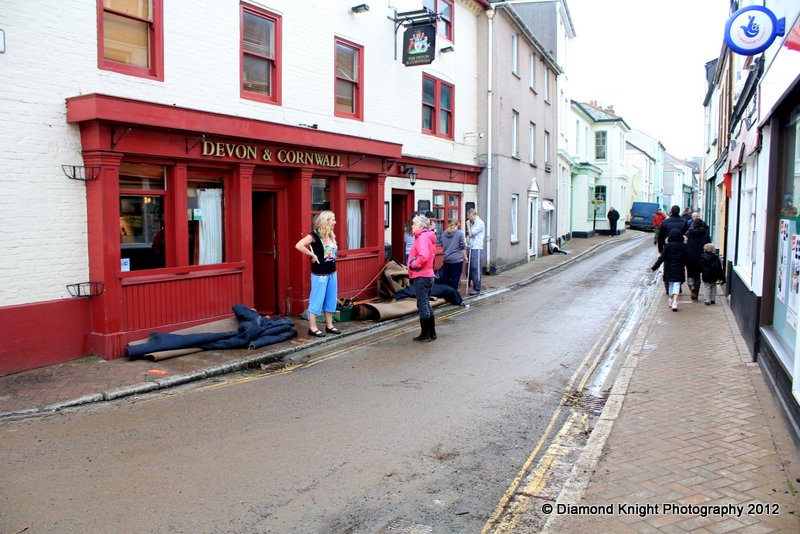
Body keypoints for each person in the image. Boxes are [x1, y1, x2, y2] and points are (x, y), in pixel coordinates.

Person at [294, 211, 341, 338]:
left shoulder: (331, 235)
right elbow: (299, 245)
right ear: (326, 221)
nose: (335, 222)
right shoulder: (314, 235)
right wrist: (312, 255)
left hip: (332, 272)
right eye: (333, 219)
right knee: (317, 300)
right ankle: (313, 328)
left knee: (331, 299)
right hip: (320, 274)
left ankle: (329, 325)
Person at [407, 214, 437, 342]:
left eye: (414, 224)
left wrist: (413, 265)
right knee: (426, 304)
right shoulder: (426, 237)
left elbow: (423, 256)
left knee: (422, 305)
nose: (412, 226)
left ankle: (425, 335)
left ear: (420, 226)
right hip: (428, 274)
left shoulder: (422, 238)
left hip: (422, 275)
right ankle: (432, 333)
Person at [652, 228, 687, 311]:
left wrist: (655, 267)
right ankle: (674, 301)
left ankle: (672, 299)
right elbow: (687, 258)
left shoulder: (668, 246)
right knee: (677, 284)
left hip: (669, 268)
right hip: (679, 268)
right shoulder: (683, 246)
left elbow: (661, 258)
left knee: (671, 284)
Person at [684, 218, 711, 300]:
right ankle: (696, 292)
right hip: (701, 257)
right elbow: (708, 244)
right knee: (698, 276)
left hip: (690, 256)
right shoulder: (705, 233)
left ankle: (691, 286)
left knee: (690, 273)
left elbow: (685, 244)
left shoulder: (688, 233)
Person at [440, 219, 467, 291]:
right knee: (455, 278)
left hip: (446, 259)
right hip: (457, 260)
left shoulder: (444, 234)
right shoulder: (459, 233)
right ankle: (454, 294)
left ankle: (446, 293)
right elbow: (462, 246)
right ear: (456, 225)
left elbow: (442, 244)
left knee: (446, 278)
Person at [465, 208, 485, 295]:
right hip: (471, 247)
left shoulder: (480, 223)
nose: (468, 218)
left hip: (477, 248)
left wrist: (468, 226)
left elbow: (471, 233)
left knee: (476, 268)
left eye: (468, 216)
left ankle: (477, 288)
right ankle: (471, 284)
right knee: (470, 267)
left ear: (472, 215)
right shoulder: (474, 223)